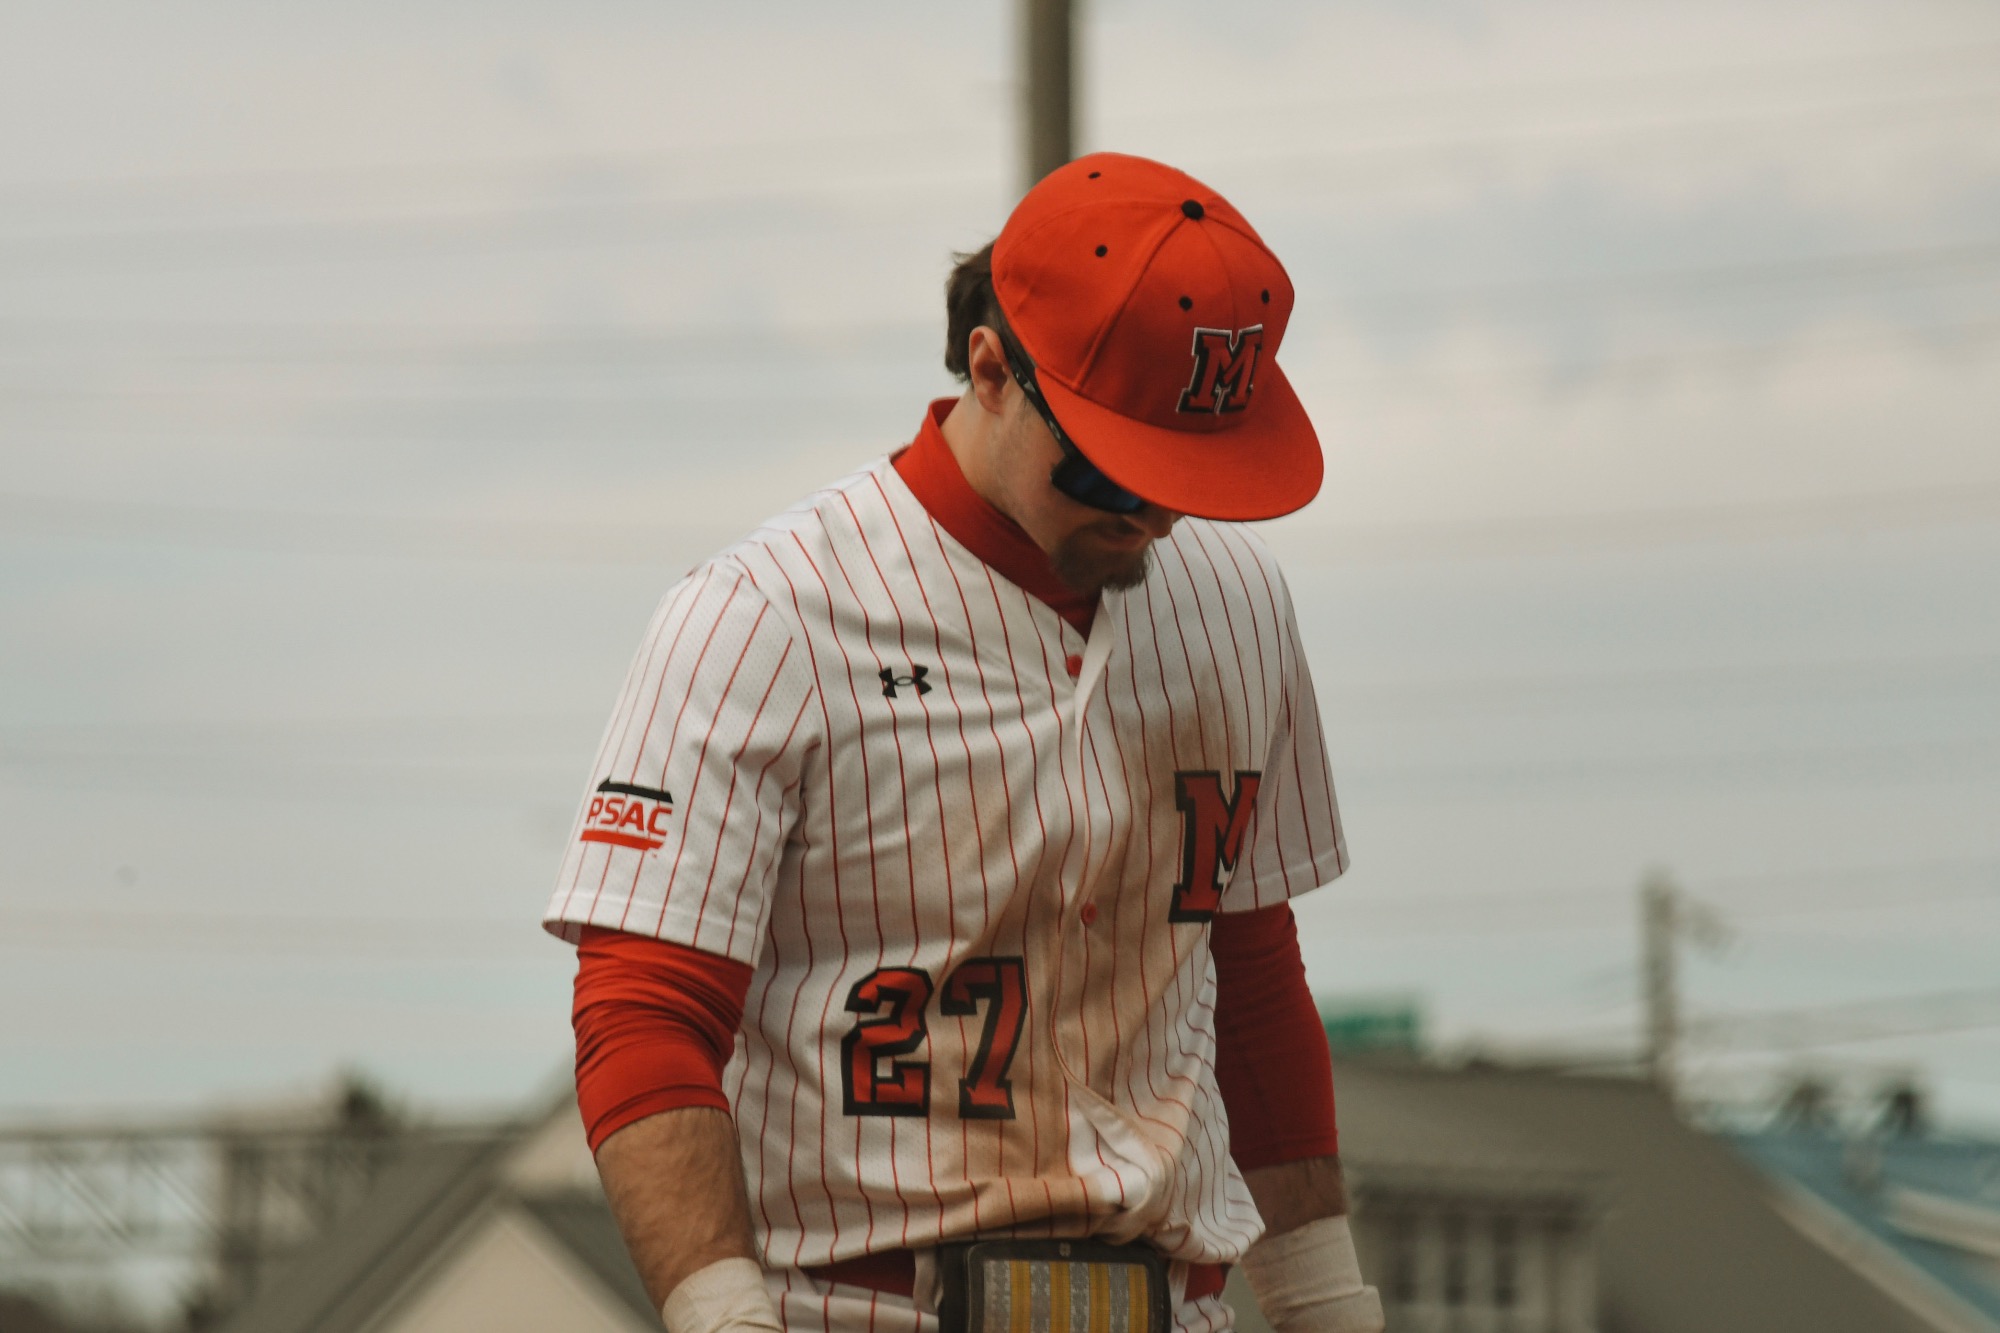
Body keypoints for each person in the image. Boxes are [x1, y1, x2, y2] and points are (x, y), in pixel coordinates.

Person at [544, 151, 1383, 1333]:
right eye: (1105, 462)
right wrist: (720, 1312)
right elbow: (643, 1007)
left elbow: (1245, 975)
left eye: (1180, 472)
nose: (1141, 510)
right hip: (856, 1302)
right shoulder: (764, 613)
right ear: (990, 367)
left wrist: (1324, 1305)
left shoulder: (1236, 604)